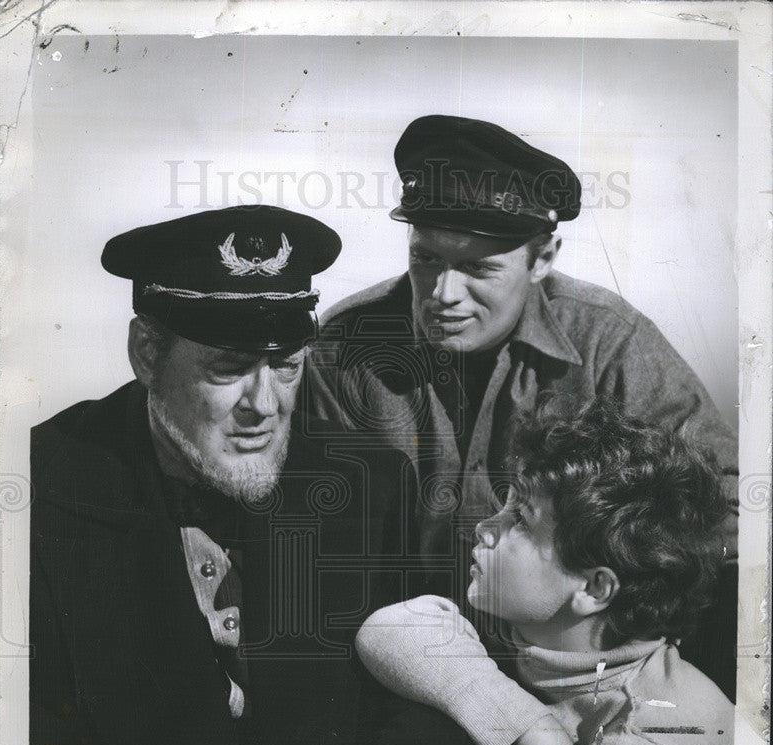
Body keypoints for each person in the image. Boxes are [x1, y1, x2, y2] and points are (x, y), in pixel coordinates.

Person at [28, 205, 480, 745]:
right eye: (228, 369)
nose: (264, 407)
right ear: (147, 354)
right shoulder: (34, 489)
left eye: (287, 368)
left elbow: (447, 689)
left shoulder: (370, 483)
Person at [307, 114, 738, 696]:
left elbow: (726, 506)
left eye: (480, 267)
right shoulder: (344, 347)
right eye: (427, 258)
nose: (443, 294)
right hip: (408, 664)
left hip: (580, 673)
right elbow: (319, 541)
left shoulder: (609, 342)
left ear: (542, 258)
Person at [356, 397, 733, 745]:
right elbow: (388, 629)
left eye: (520, 520)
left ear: (593, 588)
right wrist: (530, 730)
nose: (487, 525)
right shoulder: (537, 632)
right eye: (505, 503)